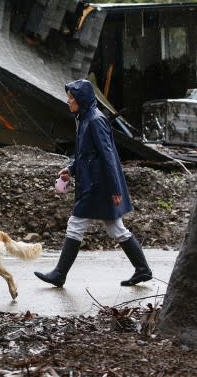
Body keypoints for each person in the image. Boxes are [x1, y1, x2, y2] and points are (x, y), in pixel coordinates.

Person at [34, 79, 152, 288]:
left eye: (71, 97)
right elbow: (85, 154)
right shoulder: (85, 118)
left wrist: (116, 190)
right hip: (97, 185)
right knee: (117, 229)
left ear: (82, 99)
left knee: (77, 224)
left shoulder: (94, 120)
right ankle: (143, 269)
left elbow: (108, 157)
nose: (68, 101)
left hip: (99, 187)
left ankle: (59, 274)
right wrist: (70, 169)